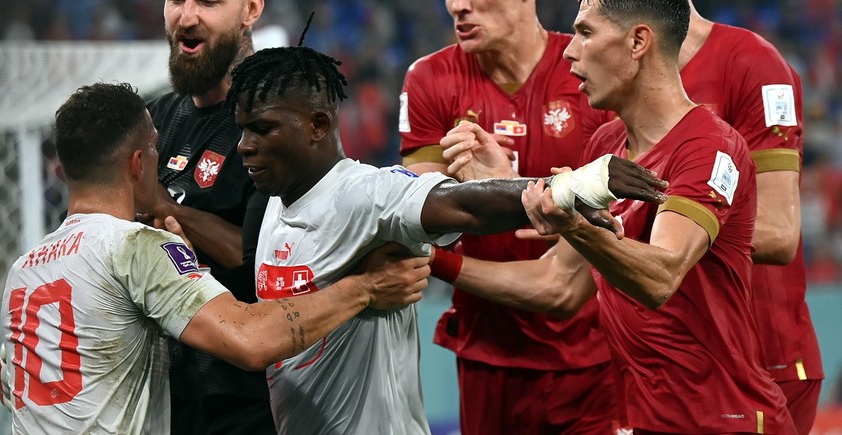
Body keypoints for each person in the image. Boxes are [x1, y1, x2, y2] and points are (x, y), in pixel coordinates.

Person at [226, 37, 667, 435]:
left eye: (263, 129)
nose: (245, 145)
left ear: (319, 124)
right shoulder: (274, 201)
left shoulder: (365, 194)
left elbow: (462, 203)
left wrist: (570, 188)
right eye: (242, 129)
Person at [436, 0, 796, 434]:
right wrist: (434, 258)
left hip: (723, 420)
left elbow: (661, 276)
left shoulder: (710, 147)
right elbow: (557, 283)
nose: (569, 51)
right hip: (639, 419)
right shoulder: (604, 147)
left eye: (586, 32)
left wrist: (573, 223)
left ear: (638, 41)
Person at [0, 82, 432, 434]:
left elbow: (8, 378)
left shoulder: (24, 272)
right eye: (154, 148)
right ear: (137, 163)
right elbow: (250, 339)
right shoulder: (137, 247)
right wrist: (364, 287)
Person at [577, 0, 822, 433]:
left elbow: (780, 233)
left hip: (762, 357)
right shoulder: (617, 99)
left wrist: (659, 226)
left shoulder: (753, 65)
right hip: (671, 372)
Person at [397, 0, 617, 433]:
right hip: (486, 354)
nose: (457, 3)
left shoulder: (590, 72)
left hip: (595, 358)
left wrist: (500, 187)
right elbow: (424, 223)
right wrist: (474, 194)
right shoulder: (430, 79)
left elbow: (605, 229)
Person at [137, 0, 272, 433]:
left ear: (251, 8)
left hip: (251, 401)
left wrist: (157, 206)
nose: (186, 17)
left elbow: (266, 258)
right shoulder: (153, 121)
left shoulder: (277, 119)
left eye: (208, 0)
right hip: (165, 395)